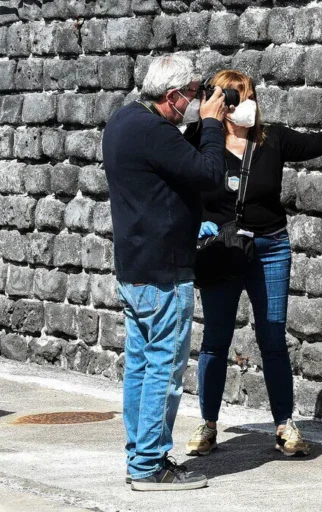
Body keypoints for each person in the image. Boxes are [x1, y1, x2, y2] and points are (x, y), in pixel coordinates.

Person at [184, 69, 322, 458]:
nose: (242, 104)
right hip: (221, 249)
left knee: (273, 338)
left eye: (247, 95)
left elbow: (313, 144)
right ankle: (208, 424)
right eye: (233, 97)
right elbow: (173, 178)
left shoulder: (270, 138)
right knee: (215, 340)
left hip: (270, 247)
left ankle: (284, 424)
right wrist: (194, 222)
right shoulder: (200, 140)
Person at [102, 54, 230, 491]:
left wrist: (199, 122)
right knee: (164, 369)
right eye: (193, 94)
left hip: (135, 266)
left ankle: (139, 456)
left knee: (140, 366)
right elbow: (210, 174)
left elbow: (172, 165)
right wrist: (212, 125)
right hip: (165, 272)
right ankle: (150, 465)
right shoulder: (155, 131)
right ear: (173, 96)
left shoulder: (123, 120)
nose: (197, 101)